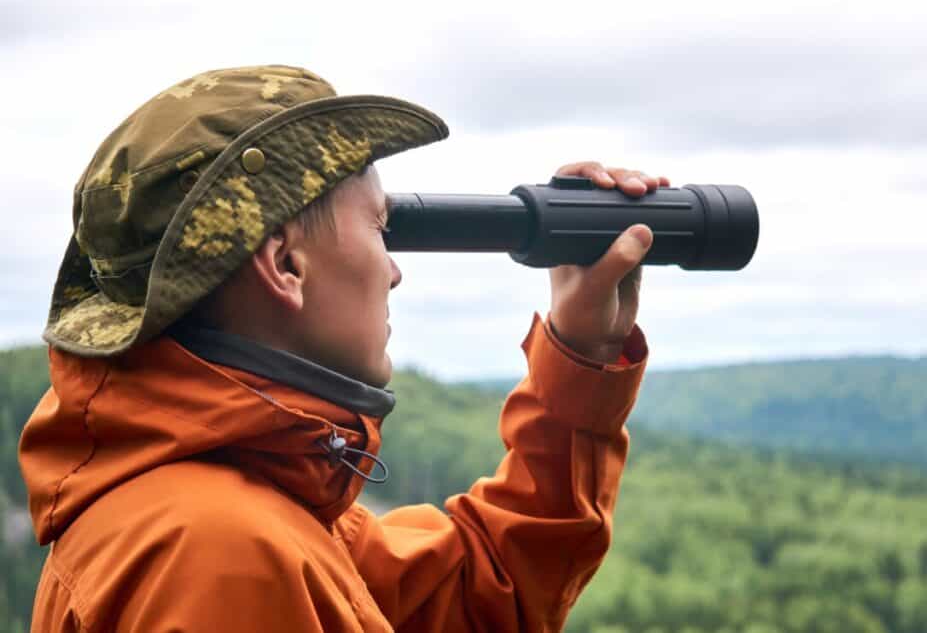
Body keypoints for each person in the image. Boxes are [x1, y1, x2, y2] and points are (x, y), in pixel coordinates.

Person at [18, 65, 666, 632]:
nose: (394, 270)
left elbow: (479, 591)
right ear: (285, 263)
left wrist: (581, 348)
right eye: (380, 226)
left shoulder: (256, 502)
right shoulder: (221, 556)